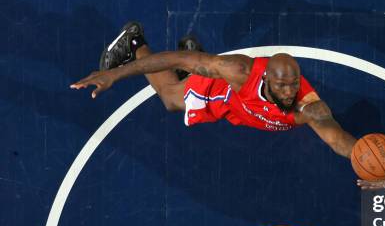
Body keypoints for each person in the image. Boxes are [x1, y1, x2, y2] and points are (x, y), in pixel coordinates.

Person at [71, 22, 356, 157]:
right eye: (281, 85)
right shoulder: (240, 72)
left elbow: (340, 141)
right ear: (266, 79)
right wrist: (115, 74)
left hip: (240, 111)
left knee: (187, 73)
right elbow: (177, 58)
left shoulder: (309, 107)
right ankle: (133, 43)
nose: (288, 92)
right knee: (171, 99)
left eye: (293, 84)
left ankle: (184, 73)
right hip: (223, 95)